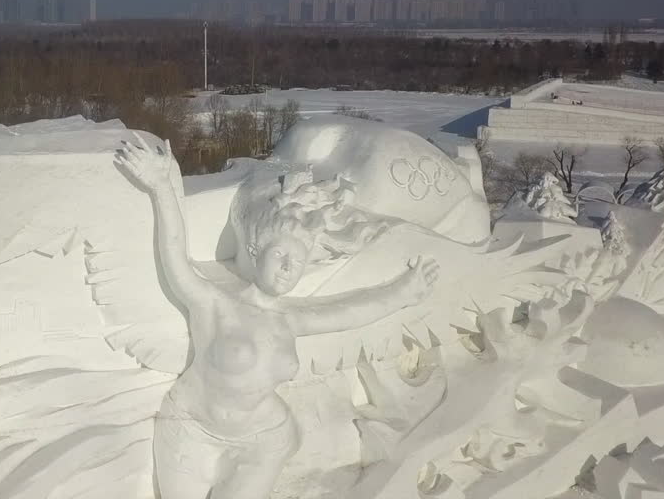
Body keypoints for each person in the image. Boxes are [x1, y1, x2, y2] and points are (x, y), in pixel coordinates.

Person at [115, 135, 439, 499]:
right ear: (256, 251)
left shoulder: (292, 317)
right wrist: (161, 186)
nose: (288, 268)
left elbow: (350, 312)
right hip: (191, 431)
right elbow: (175, 256)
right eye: (281, 255)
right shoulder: (215, 302)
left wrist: (405, 293)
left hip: (260, 442)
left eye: (297, 262)